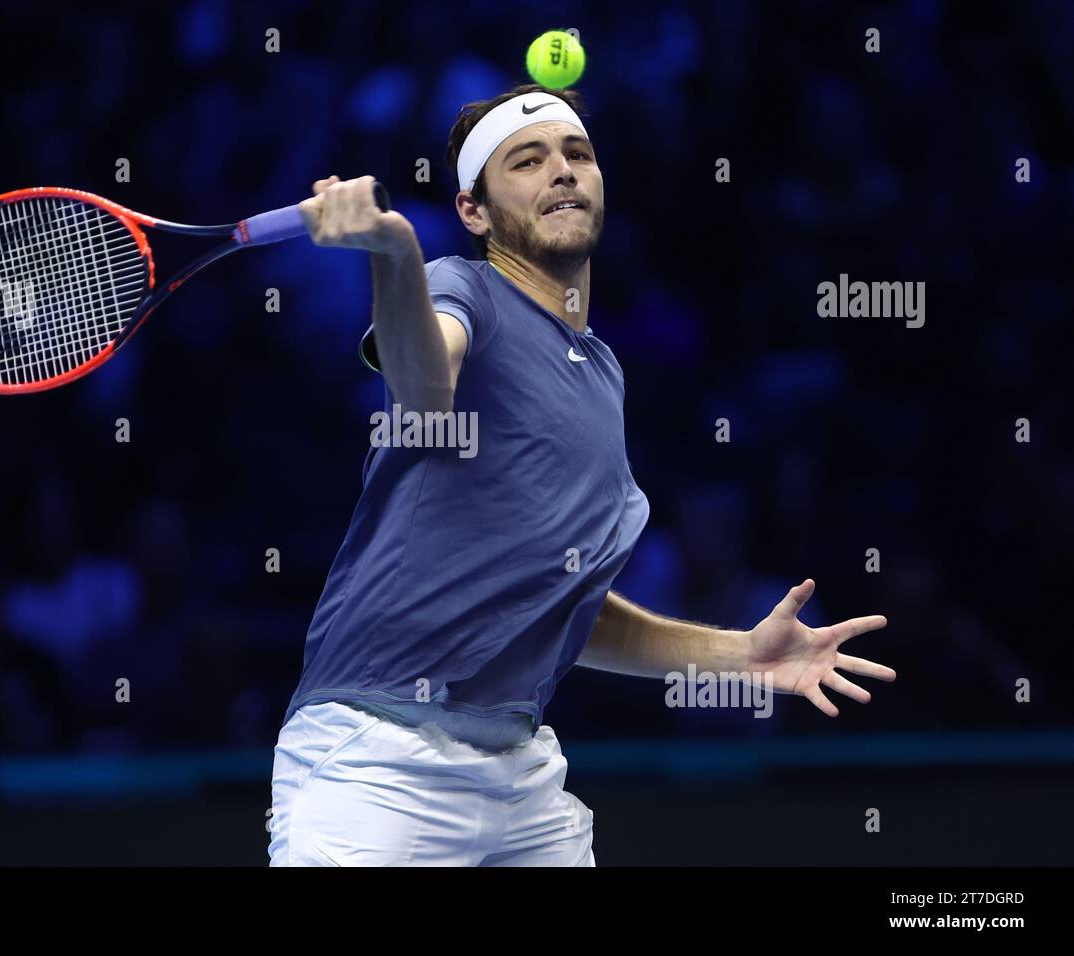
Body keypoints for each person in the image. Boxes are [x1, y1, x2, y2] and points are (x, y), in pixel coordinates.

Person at [269, 84, 895, 866]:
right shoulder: (468, 291)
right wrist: (396, 256)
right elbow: (425, 391)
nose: (562, 171)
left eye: (578, 155)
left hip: (520, 778)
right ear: (474, 211)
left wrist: (743, 658)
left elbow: (567, 608)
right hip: (376, 759)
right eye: (527, 162)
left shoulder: (601, 377)